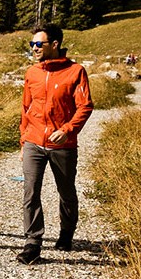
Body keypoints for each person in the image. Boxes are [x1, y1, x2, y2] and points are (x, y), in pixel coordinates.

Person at [17, 23, 93, 265]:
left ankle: (66, 232)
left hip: (63, 145)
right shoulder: (32, 72)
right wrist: (23, 142)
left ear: (55, 45)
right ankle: (32, 243)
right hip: (33, 142)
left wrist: (67, 130)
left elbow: (85, 106)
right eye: (32, 44)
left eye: (39, 44)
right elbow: (25, 109)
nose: (35, 48)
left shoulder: (76, 71)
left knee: (66, 192)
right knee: (30, 191)